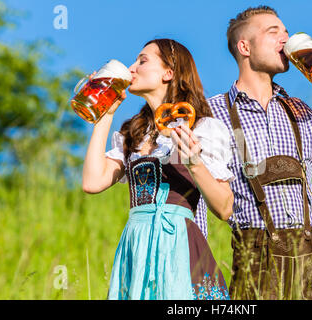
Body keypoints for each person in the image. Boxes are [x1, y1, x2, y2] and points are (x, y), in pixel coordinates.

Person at [196, 6, 312, 300]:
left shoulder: (298, 109)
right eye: (273, 32)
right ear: (244, 47)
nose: (285, 40)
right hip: (255, 255)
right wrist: (198, 270)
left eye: (286, 33)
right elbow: (200, 194)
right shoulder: (214, 113)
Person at [82, 38, 234, 300]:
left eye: (142, 61)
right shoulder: (133, 134)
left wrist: (194, 163)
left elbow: (225, 207)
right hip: (136, 244)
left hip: (179, 246)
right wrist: (103, 114)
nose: (131, 68)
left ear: (169, 72)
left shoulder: (202, 129)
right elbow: (92, 182)